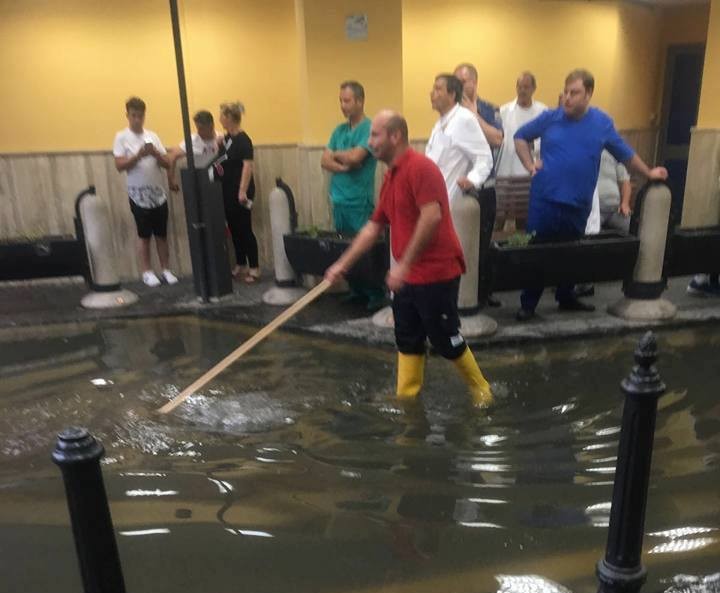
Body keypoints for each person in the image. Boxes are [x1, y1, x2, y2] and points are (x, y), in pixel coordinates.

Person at [324, 110, 493, 408]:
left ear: (395, 136)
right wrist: (342, 265)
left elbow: (431, 217)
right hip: (407, 277)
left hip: (437, 272)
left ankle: (482, 390)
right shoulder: (390, 177)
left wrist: (403, 265)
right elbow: (373, 227)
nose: (370, 142)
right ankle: (407, 397)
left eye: (375, 134)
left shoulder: (421, 168)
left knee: (444, 338)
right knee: (407, 337)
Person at [513, 69, 668, 321]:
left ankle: (566, 296)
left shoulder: (601, 123)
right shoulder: (550, 117)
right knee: (538, 252)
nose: (567, 98)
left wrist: (649, 172)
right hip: (545, 201)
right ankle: (528, 305)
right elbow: (520, 137)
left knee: (571, 253)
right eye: (566, 92)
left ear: (588, 94)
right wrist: (530, 164)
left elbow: (625, 154)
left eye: (574, 93)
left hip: (578, 203)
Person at [320, 81, 384, 310]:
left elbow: (357, 157)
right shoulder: (339, 130)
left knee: (364, 249)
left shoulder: (369, 129)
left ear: (360, 101)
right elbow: (324, 160)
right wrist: (343, 163)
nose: (343, 105)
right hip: (339, 199)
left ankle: (375, 293)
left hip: (359, 200)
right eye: (340, 101)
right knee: (344, 247)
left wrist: (339, 156)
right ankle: (356, 290)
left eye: (347, 101)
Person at [113, 96, 178, 287]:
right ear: (127, 115)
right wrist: (138, 155)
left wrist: (155, 153)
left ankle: (166, 270)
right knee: (144, 235)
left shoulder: (153, 136)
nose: (137, 119)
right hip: (138, 195)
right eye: (133, 115)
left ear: (144, 116)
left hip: (158, 194)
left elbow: (167, 163)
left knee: (161, 234)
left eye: (140, 116)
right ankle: (147, 272)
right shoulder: (121, 137)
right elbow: (119, 165)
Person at [454, 62, 504, 307]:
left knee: (482, 244)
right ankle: (458, 295)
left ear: (474, 82)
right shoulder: (451, 112)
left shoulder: (489, 109)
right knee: (458, 244)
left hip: (485, 188)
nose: (459, 86)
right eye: (456, 81)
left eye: (463, 81)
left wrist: (474, 115)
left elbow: (497, 139)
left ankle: (481, 294)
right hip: (459, 189)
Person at [426, 74, 493, 205]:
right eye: (433, 89)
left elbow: (484, 157)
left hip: (450, 200)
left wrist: (473, 179)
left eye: (438, 89)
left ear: (452, 95)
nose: (432, 93)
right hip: (433, 196)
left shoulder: (464, 119)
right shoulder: (440, 123)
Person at [216, 101, 259, 283]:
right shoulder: (227, 139)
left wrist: (242, 192)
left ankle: (254, 267)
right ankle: (241, 263)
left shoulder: (243, 140)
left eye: (221, 115)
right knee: (234, 229)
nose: (219, 119)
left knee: (245, 228)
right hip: (227, 190)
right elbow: (222, 160)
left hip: (241, 191)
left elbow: (247, 166)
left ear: (229, 118)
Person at [496, 72, 547, 177]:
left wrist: (533, 145)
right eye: (519, 87)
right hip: (507, 171)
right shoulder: (504, 111)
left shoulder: (543, 112)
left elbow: (547, 140)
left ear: (534, 89)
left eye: (526, 87)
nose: (522, 91)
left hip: (534, 170)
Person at [166, 110, 219, 191]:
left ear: (211, 126)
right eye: (197, 128)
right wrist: (171, 180)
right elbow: (172, 156)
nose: (198, 132)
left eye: (201, 128)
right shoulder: (193, 140)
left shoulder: (221, 138)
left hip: (216, 181)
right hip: (198, 182)